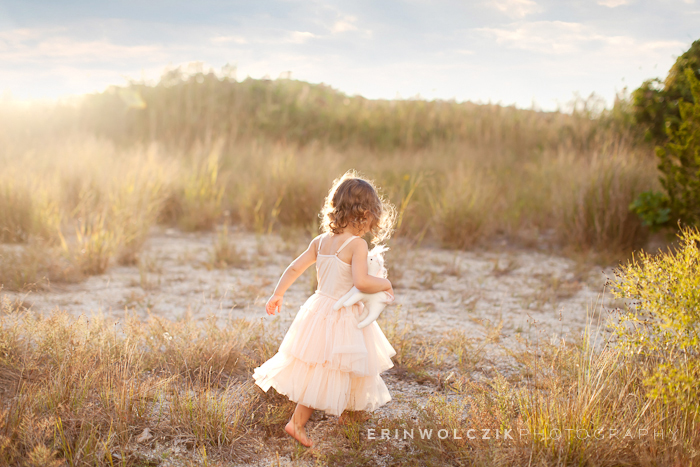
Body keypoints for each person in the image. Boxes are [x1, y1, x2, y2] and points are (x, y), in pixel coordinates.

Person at [252, 170, 397, 448]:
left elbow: (295, 267)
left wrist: (278, 293)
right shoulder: (356, 244)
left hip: (318, 308)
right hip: (344, 315)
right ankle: (321, 421)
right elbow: (362, 282)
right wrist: (385, 282)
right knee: (349, 366)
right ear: (365, 214)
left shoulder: (320, 241)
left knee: (325, 366)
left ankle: (324, 420)